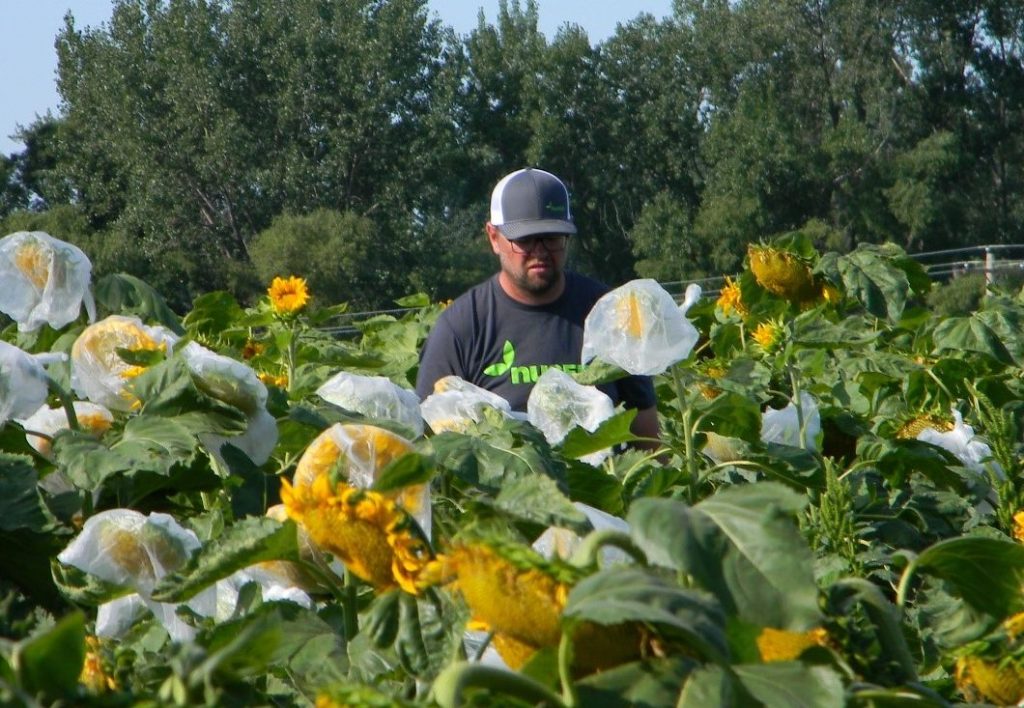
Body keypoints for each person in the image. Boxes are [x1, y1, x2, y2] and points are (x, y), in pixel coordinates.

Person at [415, 167, 660, 446]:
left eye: (552, 237)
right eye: (526, 240)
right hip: (512, 487)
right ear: (494, 237)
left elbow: (647, 434)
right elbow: (430, 439)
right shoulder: (462, 327)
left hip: (601, 486)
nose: (540, 251)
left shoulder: (608, 313)